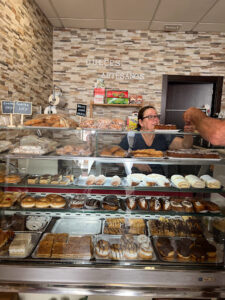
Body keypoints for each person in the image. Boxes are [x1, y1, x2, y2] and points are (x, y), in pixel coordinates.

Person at [119, 105, 193, 174]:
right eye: (150, 117)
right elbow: (117, 158)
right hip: (135, 180)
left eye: (156, 116)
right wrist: (136, 164)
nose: (155, 120)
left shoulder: (164, 135)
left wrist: (188, 133)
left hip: (159, 179)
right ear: (141, 122)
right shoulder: (132, 136)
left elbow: (185, 145)